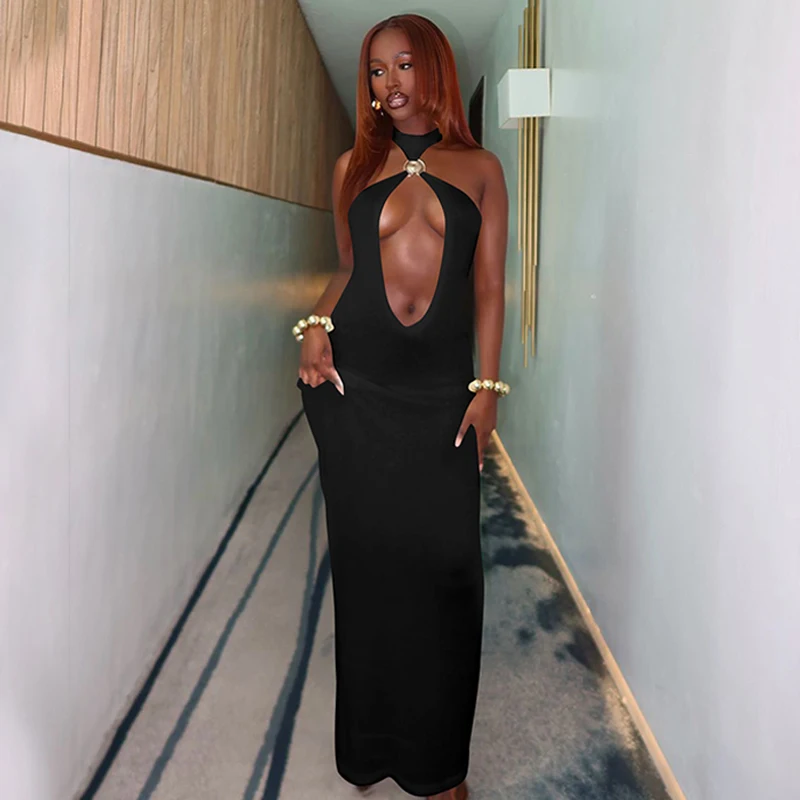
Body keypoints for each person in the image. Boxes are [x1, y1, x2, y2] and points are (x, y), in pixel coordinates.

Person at [294, 13, 509, 800]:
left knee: (450, 573)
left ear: (436, 68)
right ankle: (371, 750)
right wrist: (315, 327)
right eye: (376, 70)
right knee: (368, 571)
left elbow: (489, 287)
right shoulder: (353, 166)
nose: (390, 83)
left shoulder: (480, 167)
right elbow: (346, 270)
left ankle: (439, 766)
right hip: (358, 393)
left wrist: (486, 392)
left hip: (439, 396)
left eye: (405, 64)